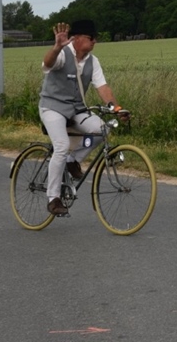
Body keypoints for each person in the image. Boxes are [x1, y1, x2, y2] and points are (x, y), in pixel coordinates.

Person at [39, 20, 123, 216]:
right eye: (91, 37)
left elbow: (103, 87)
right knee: (61, 145)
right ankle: (53, 198)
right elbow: (48, 63)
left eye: (95, 38)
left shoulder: (93, 61)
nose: (95, 41)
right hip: (52, 107)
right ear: (76, 38)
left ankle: (73, 160)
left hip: (76, 109)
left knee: (102, 129)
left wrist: (117, 108)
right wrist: (56, 47)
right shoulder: (63, 54)